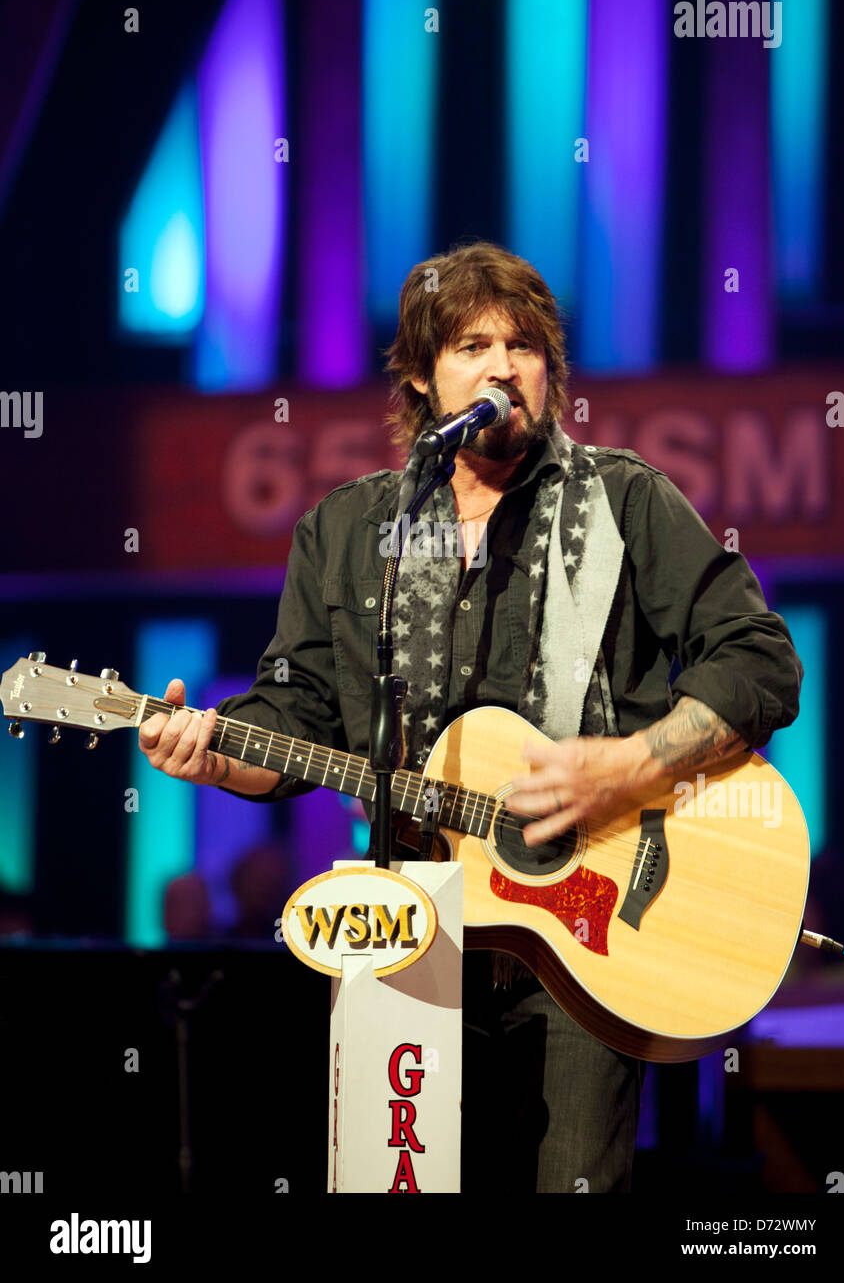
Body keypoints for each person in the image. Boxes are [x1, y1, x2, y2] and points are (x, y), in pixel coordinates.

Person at [138, 240, 803, 1192]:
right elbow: (297, 720)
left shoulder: (624, 502)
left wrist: (630, 765)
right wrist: (212, 754)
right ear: (419, 374)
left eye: (524, 346)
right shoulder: (346, 531)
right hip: (406, 926)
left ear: (550, 371)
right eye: (472, 347)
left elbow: (761, 661)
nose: (503, 366)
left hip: (591, 940)